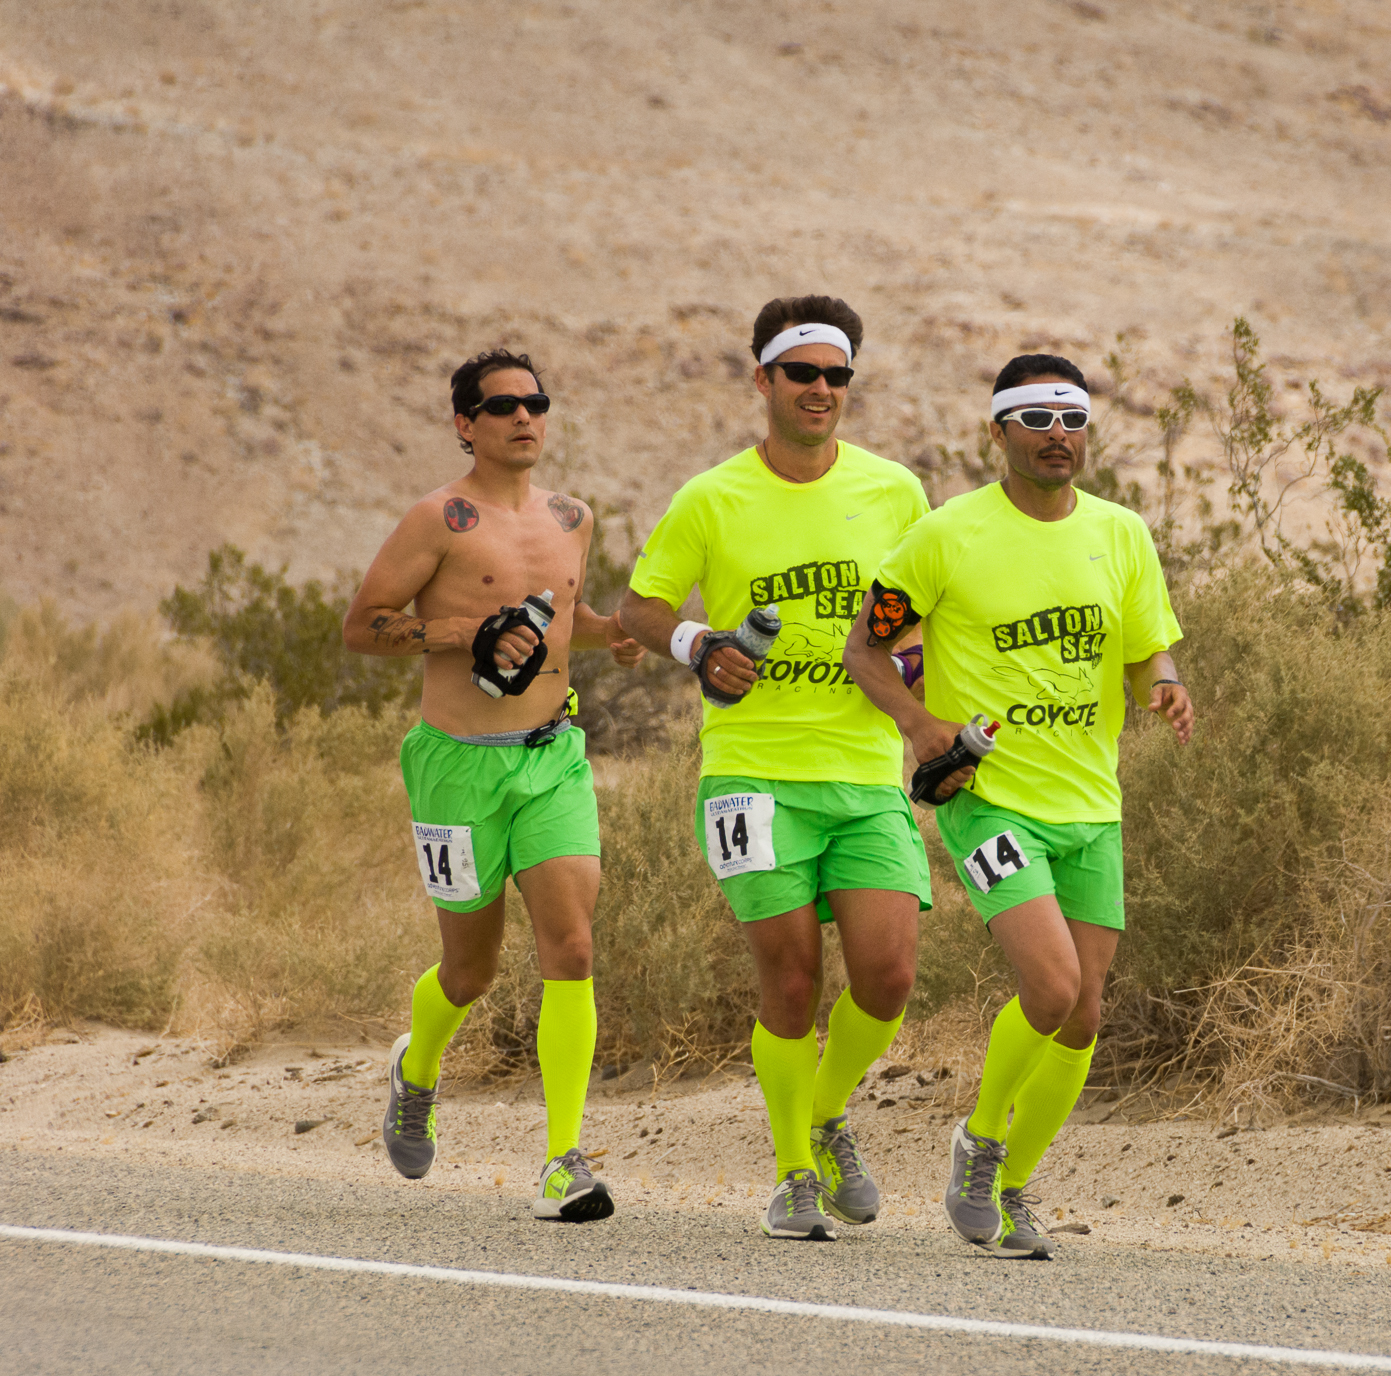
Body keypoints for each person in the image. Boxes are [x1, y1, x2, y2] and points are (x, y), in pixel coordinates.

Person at [843, 353, 1193, 1259]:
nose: (1056, 437)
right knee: (1051, 985)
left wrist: (1165, 683)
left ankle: (1012, 1183)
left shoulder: (1120, 534)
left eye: (1070, 419)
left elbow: (1148, 647)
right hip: (990, 796)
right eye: (1034, 420)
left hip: (1091, 804)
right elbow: (864, 650)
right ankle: (980, 1142)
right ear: (996, 433)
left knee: (1083, 1016)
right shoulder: (947, 535)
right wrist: (920, 727)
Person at [618, 297, 944, 1241]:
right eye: (801, 373)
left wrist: (924, 690)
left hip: (862, 770)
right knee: (793, 981)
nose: (821, 390)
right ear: (762, 380)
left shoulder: (894, 493)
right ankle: (793, 1171)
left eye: (837, 375)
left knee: (886, 978)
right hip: (752, 775)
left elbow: (914, 615)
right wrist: (696, 643)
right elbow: (639, 607)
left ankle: (825, 1109)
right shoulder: (711, 498)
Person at [343, 348, 644, 1223]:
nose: (524, 418)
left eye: (536, 403)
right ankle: (418, 1067)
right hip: (456, 766)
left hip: (552, 755)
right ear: (464, 423)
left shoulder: (573, 517)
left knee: (573, 947)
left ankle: (562, 1161)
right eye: (503, 405)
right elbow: (364, 629)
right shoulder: (437, 517)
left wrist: (611, 636)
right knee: (469, 972)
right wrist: (460, 630)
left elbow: (565, 625)